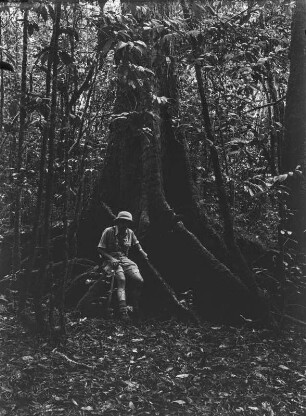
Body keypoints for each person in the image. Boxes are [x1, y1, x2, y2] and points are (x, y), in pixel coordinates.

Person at [97, 211, 148, 319]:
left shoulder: (130, 232)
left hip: (125, 260)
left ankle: (135, 306)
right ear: (118, 222)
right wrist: (111, 259)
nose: (125, 225)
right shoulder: (108, 231)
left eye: (127, 222)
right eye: (123, 222)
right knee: (121, 279)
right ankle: (123, 310)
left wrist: (142, 251)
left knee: (139, 280)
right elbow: (100, 249)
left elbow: (137, 243)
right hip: (110, 260)